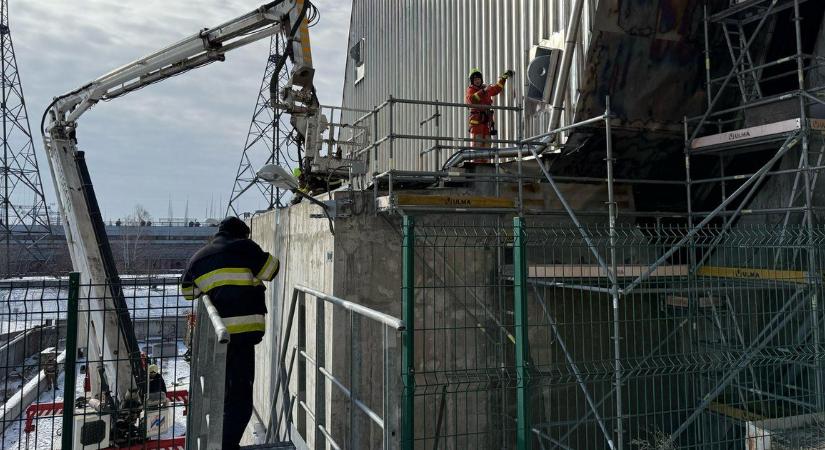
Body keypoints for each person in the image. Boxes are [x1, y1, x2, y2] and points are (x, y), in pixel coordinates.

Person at [180, 216, 280, 450]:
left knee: (223, 397)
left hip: (215, 338)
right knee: (240, 401)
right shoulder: (245, 248)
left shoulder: (200, 257)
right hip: (243, 336)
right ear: (242, 234)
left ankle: (220, 442)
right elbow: (272, 269)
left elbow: (188, 292)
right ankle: (225, 446)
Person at [465, 67, 514, 154]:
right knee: (477, 144)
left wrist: (503, 78)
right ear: (472, 81)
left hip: (486, 122)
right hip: (476, 123)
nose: (477, 81)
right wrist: (483, 91)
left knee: (487, 143)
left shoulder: (486, 89)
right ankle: (477, 161)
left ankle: (486, 160)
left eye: (478, 79)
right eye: (475, 79)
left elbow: (497, 89)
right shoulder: (471, 89)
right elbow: (471, 100)